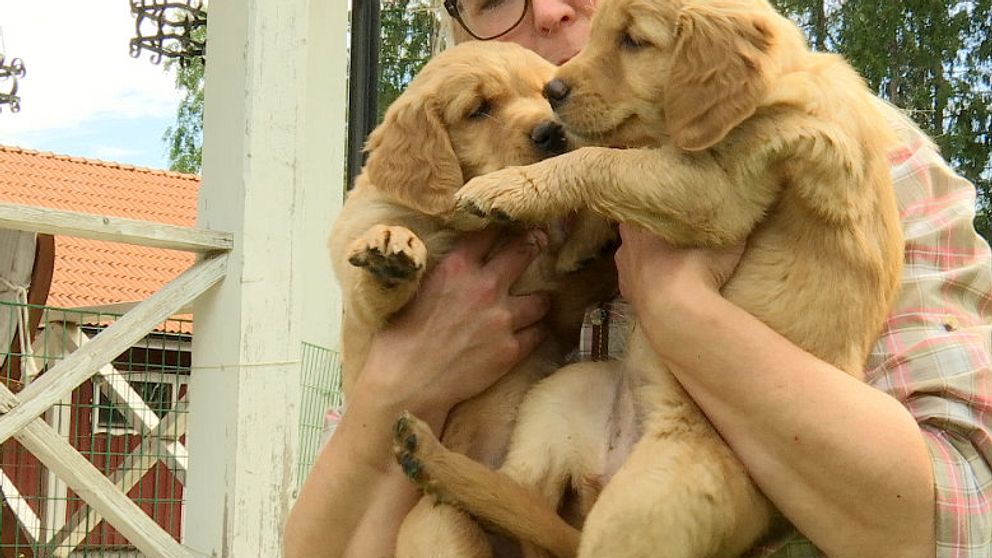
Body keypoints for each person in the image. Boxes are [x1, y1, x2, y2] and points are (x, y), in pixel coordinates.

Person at [284, 0, 992, 556]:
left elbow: (959, 519)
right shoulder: (464, 233)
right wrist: (398, 386)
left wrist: (681, 309)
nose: (553, 11)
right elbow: (331, 548)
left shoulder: (857, 153)